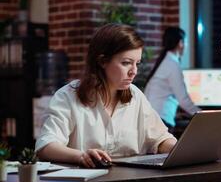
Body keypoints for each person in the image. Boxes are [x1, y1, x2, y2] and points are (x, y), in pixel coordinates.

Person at [35, 23, 177, 171]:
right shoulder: (68, 96)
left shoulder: (136, 96)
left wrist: (180, 149)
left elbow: (160, 139)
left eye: (137, 63)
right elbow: (46, 146)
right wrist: (81, 156)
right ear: (102, 61)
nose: (134, 71)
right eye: (126, 63)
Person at [144, 27, 201, 129]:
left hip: (153, 118)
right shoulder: (172, 65)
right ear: (180, 43)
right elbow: (183, 100)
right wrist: (203, 115)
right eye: (186, 42)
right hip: (160, 121)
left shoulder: (165, 61)